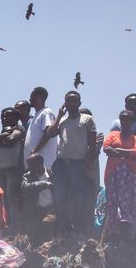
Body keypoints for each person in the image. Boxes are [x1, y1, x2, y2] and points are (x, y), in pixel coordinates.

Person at [42, 91, 97, 235]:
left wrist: (87, 164)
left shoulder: (87, 119)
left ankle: (79, 230)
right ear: (65, 103)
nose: (71, 104)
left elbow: (92, 145)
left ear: (79, 103)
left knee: (78, 199)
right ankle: (64, 230)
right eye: (68, 101)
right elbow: (49, 133)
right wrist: (60, 115)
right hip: (61, 164)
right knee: (60, 198)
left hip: (78, 164)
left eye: (74, 101)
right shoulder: (62, 121)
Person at [102, 110, 136, 239]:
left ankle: (127, 237)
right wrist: (126, 153)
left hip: (130, 176)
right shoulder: (113, 134)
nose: (125, 122)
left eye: (128, 120)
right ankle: (112, 236)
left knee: (129, 204)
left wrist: (117, 151)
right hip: (113, 174)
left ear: (131, 122)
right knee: (112, 204)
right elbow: (106, 148)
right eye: (123, 119)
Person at [0, 107, 26, 230]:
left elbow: (12, 139)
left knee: (12, 197)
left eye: (8, 116)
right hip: (1, 169)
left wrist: (2, 138)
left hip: (13, 169)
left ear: (16, 118)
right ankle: (6, 224)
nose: (5, 118)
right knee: (3, 199)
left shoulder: (19, 128)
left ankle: (16, 226)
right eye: (3, 116)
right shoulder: (3, 131)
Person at [25, 86, 57, 169]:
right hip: (33, 165)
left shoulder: (46, 113)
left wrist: (35, 150)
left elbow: (48, 133)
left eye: (31, 96)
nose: (29, 99)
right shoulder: (36, 115)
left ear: (38, 97)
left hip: (43, 164)